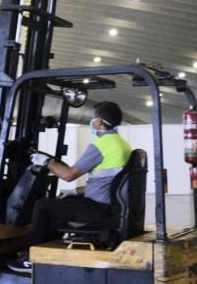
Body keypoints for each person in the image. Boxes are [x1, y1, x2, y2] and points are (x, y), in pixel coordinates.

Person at [9, 101, 132, 272]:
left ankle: (31, 259)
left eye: (93, 118)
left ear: (99, 122)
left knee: (42, 205)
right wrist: (74, 191)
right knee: (60, 203)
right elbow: (108, 183)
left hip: (98, 208)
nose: (93, 121)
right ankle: (50, 250)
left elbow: (68, 175)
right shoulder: (123, 144)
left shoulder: (100, 145)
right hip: (110, 205)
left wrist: (46, 161)